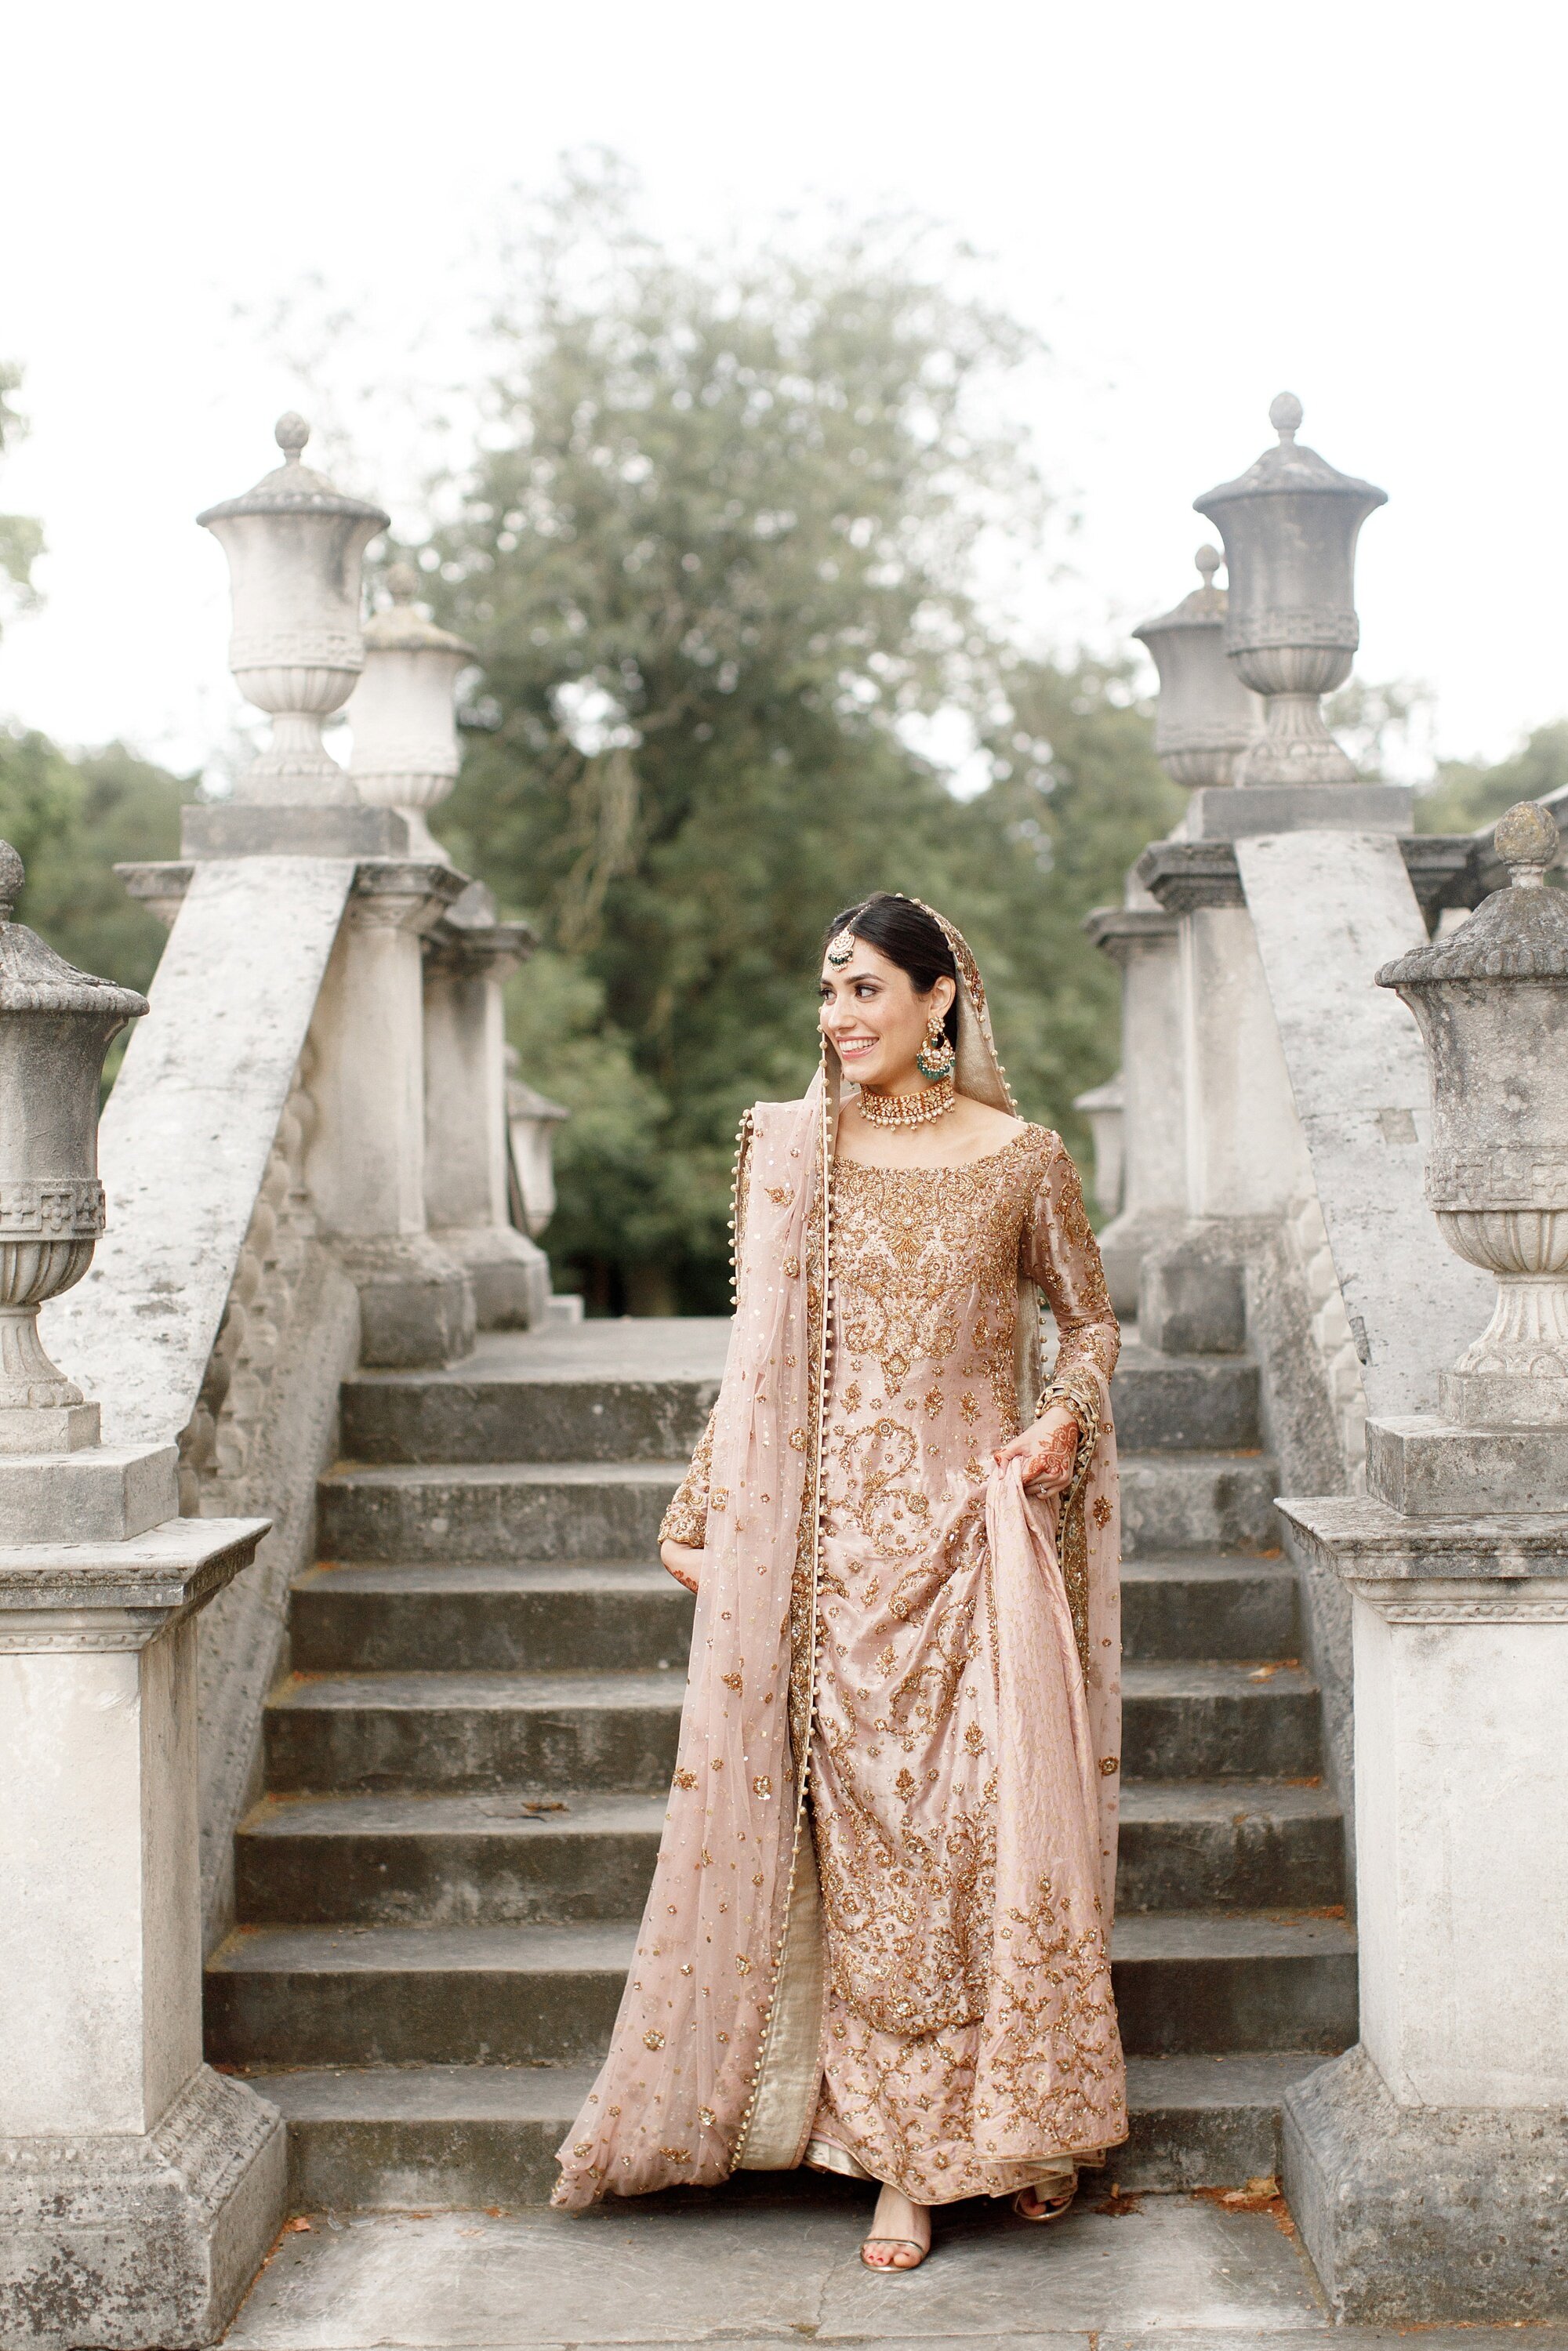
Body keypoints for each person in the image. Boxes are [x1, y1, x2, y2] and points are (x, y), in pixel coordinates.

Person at [553, 892, 1126, 2269]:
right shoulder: (793, 1152)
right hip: (827, 1561)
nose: (838, 1017)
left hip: (978, 1550)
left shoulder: (1024, 1161)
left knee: (974, 1843)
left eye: (866, 989)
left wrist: (1060, 1422)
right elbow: (759, 1364)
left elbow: (1090, 1321)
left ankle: (1008, 2124)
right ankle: (900, 2161)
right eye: (829, 990)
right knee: (871, 1860)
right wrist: (702, 1508)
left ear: (942, 1002)